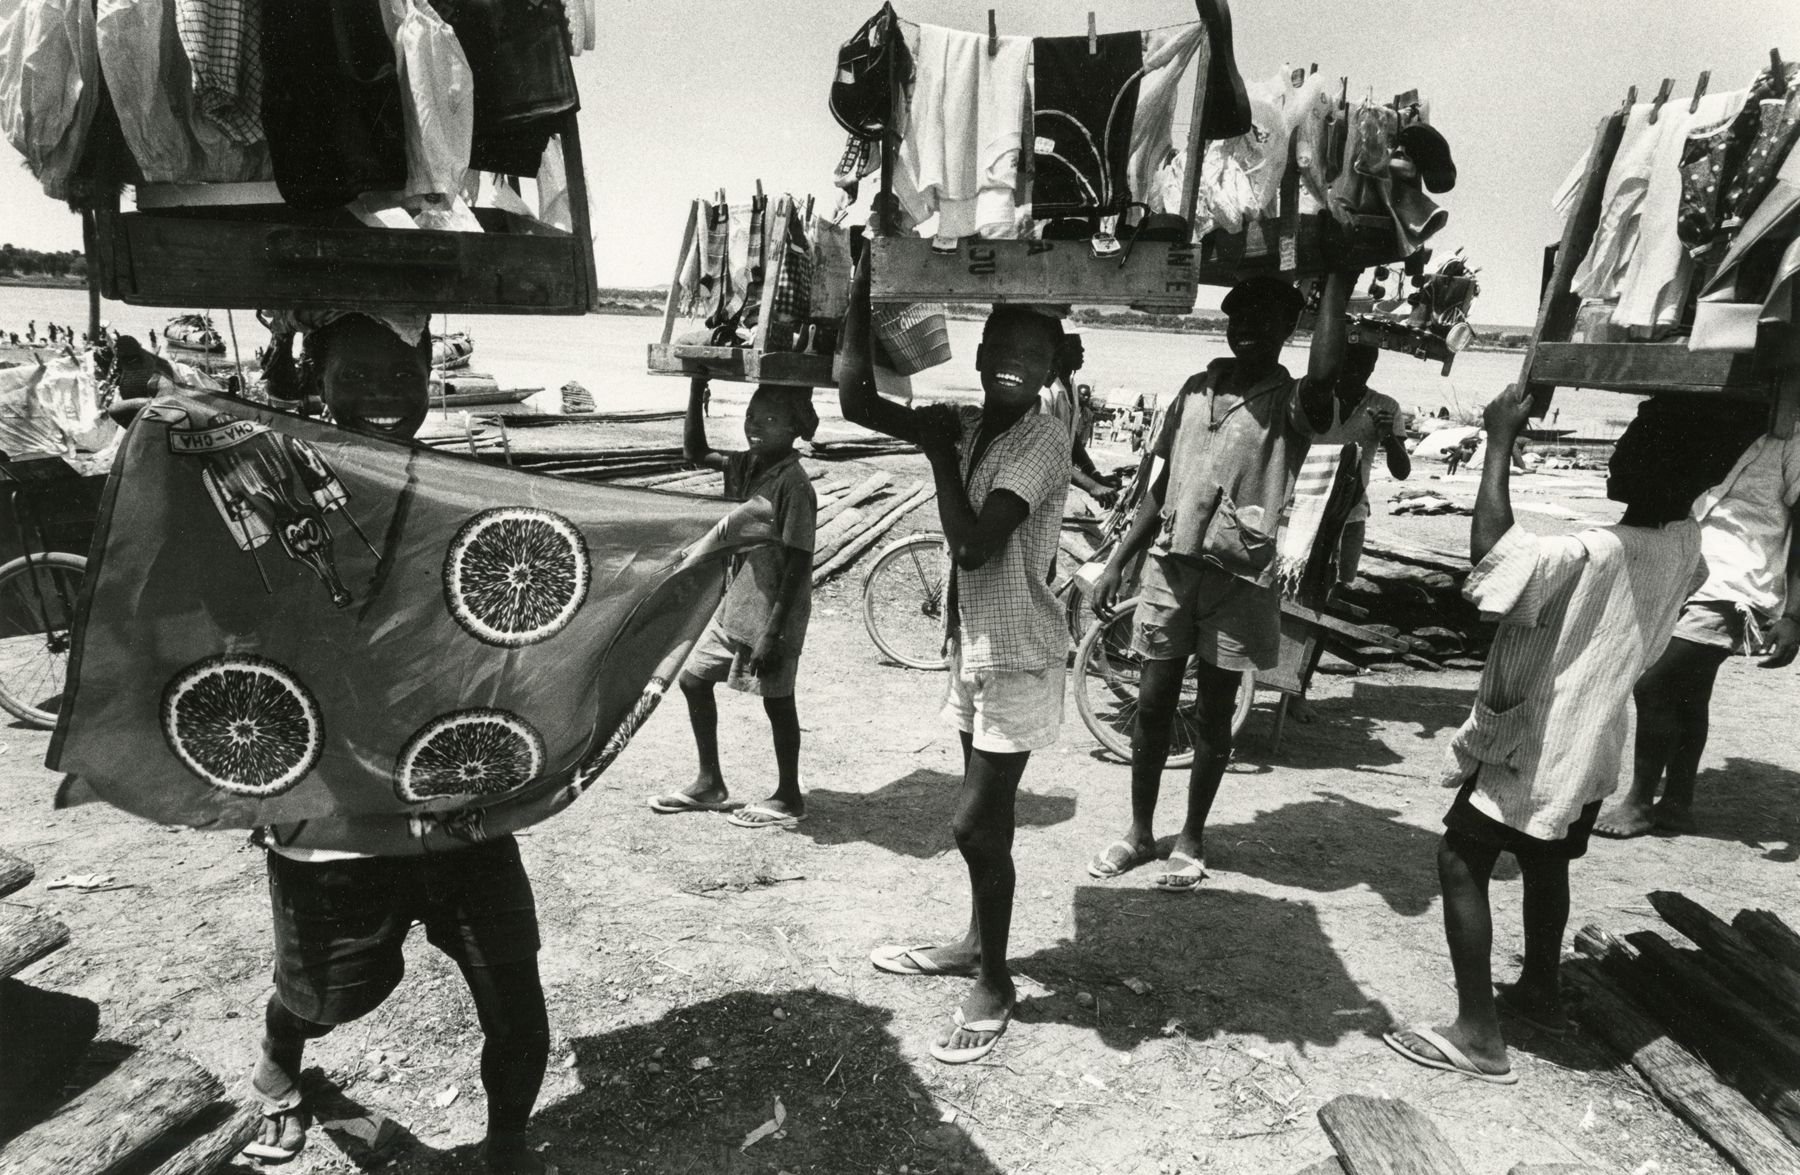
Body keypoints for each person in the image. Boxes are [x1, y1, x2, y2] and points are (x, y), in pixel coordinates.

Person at [243, 313, 554, 1175]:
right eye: (358, 372)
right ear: (319, 376)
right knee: (324, 993)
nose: (384, 391)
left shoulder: (463, 484)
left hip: (459, 795)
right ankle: (279, 1060)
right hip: (337, 802)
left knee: (516, 1001)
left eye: (402, 371)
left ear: (430, 375)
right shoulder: (278, 486)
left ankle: (508, 1144)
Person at [1384, 388, 1737, 1084]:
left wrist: (1499, 440)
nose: (1619, 452)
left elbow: (1492, 564)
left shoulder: (1591, 550)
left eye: (1635, 443)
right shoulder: (1683, 541)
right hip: (1594, 740)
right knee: (1547, 860)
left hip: (1536, 737)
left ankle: (1479, 1032)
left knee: (1461, 858)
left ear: (1663, 466)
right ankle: (1540, 990)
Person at [842, 255, 1071, 1065]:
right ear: (977, 355)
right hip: (972, 649)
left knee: (973, 823)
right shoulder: (976, 423)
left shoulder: (1042, 441)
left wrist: (938, 455)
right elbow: (855, 398)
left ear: (1049, 371)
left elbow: (975, 548)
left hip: (1019, 658)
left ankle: (997, 981)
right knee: (992, 828)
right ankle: (976, 943)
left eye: (1032, 354)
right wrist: (861, 288)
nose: (1013, 362)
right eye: (1000, 346)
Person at [1084, 271, 1352, 891]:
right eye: (1239, 320)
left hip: (1239, 578)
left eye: (1266, 324)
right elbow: (1161, 484)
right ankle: (1138, 832)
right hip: (1170, 570)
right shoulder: (1193, 389)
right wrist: (1117, 560)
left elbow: (1325, 376)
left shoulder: (1293, 403)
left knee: (1212, 715)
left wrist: (1336, 279)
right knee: (1151, 707)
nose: (1248, 333)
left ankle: (1193, 836)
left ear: (1290, 332)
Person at [1597, 414, 1799, 838]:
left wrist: (1795, 616)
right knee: (1690, 692)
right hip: (1683, 567)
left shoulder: (1791, 438)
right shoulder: (1707, 423)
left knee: (1654, 683)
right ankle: (1676, 804)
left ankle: (1639, 802)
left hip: (1737, 583)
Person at [647, 377, 819, 828]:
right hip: (737, 605)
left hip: (774, 612)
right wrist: (695, 388)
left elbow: (800, 563)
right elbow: (694, 452)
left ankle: (788, 795)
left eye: (771, 420)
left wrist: (773, 633)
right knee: (694, 679)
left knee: (777, 701)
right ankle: (710, 783)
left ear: (794, 428)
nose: (756, 427)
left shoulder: (795, 485)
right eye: (751, 416)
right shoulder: (746, 466)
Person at [1320, 342, 1409, 591]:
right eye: (1347, 364)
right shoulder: (1317, 397)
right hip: (1307, 505)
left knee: (1341, 585)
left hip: (1352, 512)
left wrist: (1388, 436)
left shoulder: (1386, 406)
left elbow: (1401, 472)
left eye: (1362, 367)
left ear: (1371, 369)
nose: (1352, 372)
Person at [1038, 333, 1119, 510]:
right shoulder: (1046, 393)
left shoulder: (1071, 387)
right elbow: (1048, 454)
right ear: (1059, 351)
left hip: (1054, 489)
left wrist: (1095, 475)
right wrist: (1091, 486)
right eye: (1074, 346)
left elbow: (1070, 438)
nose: (1082, 350)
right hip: (1035, 490)